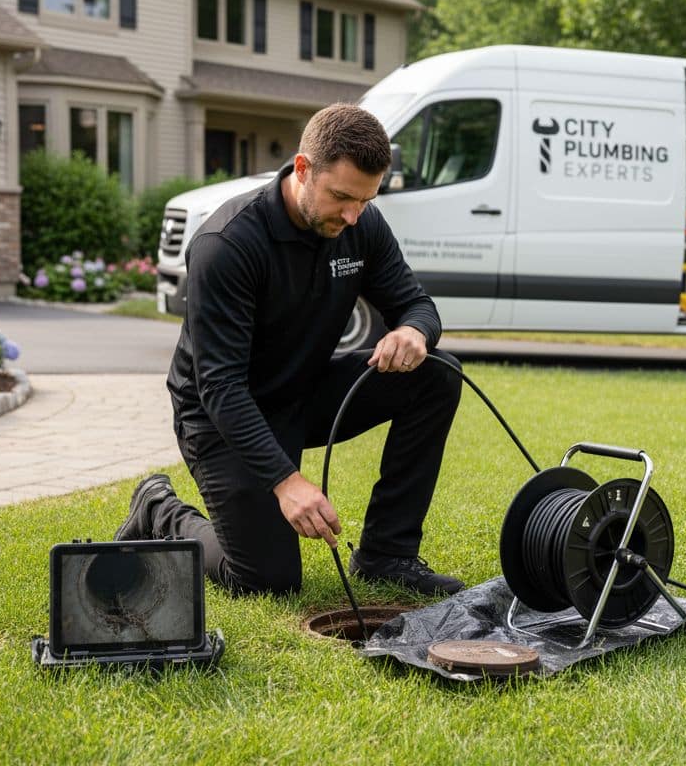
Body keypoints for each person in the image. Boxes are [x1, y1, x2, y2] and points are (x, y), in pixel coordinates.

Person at [115, 103, 465, 597]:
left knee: (438, 372)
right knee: (266, 580)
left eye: (365, 200)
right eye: (341, 196)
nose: (352, 214)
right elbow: (219, 386)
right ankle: (160, 509)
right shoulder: (228, 244)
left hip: (302, 392)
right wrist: (288, 482)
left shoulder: (361, 224)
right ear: (303, 169)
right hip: (220, 416)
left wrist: (415, 331)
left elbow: (416, 303)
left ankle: (388, 553)